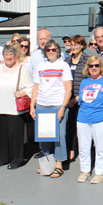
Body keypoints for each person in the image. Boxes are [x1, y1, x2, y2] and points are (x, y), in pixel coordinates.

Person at [30, 39, 72, 178]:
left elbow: (68, 89)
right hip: (42, 103)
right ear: (45, 52)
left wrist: (63, 107)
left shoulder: (63, 66)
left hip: (58, 103)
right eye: (48, 50)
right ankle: (47, 162)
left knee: (60, 135)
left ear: (58, 51)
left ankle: (59, 164)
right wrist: (32, 105)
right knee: (45, 134)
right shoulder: (41, 66)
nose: (51, 52)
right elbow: (36, 87)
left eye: (54, 49)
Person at [76, 56, 103, 184]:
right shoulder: (84, 82)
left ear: (100, 67)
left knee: (100, 148)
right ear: (87, 68)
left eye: (96, 65)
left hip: (101, 120)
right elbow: (81, 102)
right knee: (83, 147)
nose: (94, 68)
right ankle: (85, 171)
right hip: (83, 119)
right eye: (91, 66)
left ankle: (100, 173)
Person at [0, 45, 33, 169]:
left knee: (15, 135)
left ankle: (16, 160)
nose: (9, 57)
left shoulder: (22, 69)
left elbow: (30, 87)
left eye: (11, 54)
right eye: (6, 54)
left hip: (15, 109)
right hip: (0, 107)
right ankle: (3, 158)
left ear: (16, 56)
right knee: (1, 134)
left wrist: (21, 93)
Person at [64, 35, 89, 161]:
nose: (73, 47)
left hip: (82, 99)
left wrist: (77, 98)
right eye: (72, 44)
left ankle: (84, 150)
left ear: (82, 46)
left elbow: (90, 82)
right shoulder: (66, 61)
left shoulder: (87, 60)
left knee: (82, 127)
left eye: (76, 44)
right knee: (70, 126)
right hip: (69, 98)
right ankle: (72, 149)